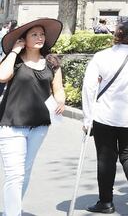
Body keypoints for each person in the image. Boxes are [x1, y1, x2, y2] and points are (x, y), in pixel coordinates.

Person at [82, 18, 128, 216]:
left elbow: (89, 87)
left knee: (106, 158)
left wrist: (87, 118)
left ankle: (106, 202)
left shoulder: (101, 56)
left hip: (104, 116)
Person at [0, 18, 65, 216]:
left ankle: (12, 210)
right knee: (15, 174)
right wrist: (14, 51)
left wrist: (61, 101)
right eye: (34, 34)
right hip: (11, 125)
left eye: (42, 34)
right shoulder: (15, 60)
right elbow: (2, 76)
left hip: (39, 126)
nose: (39, 38)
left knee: (25, 171)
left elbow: (58, 89)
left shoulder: (52, 62)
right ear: (24, 39)